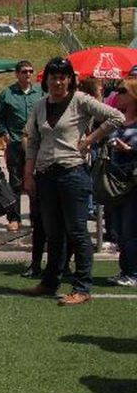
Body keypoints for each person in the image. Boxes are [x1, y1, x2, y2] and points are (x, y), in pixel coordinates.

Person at [22, 57, 124, 306]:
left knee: (77, 231)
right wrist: (28, 173)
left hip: (72, 172)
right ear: (46, 80)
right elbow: (32, 141)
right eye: (53, 77)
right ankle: (50, 282)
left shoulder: (80, 100)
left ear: (70, 79)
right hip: (45, 174)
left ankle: (82, 287)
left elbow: (116, 117)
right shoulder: (40, 105)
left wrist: (90, 139)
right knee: (53, 232)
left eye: (62, 77)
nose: (57, 82)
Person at [0, 60, 43, 235]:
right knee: (15, 182)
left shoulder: (40, 92)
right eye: (24, 71)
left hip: (36, 144)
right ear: (17, 74)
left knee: (35, 182)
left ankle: (35, 218)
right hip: (15, 142)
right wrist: (4, 132)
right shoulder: (7, 94)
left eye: (30, 71)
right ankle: (14, 218)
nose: (28, 74)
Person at [105, 78, 137, 286]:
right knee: (119, 230)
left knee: (130, 229)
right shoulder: (118, 120)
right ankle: (125, 270)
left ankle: (133, 273)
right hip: (116, 182)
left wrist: (130, 150)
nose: (118, 94)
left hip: (133, 182)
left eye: (123, 91)